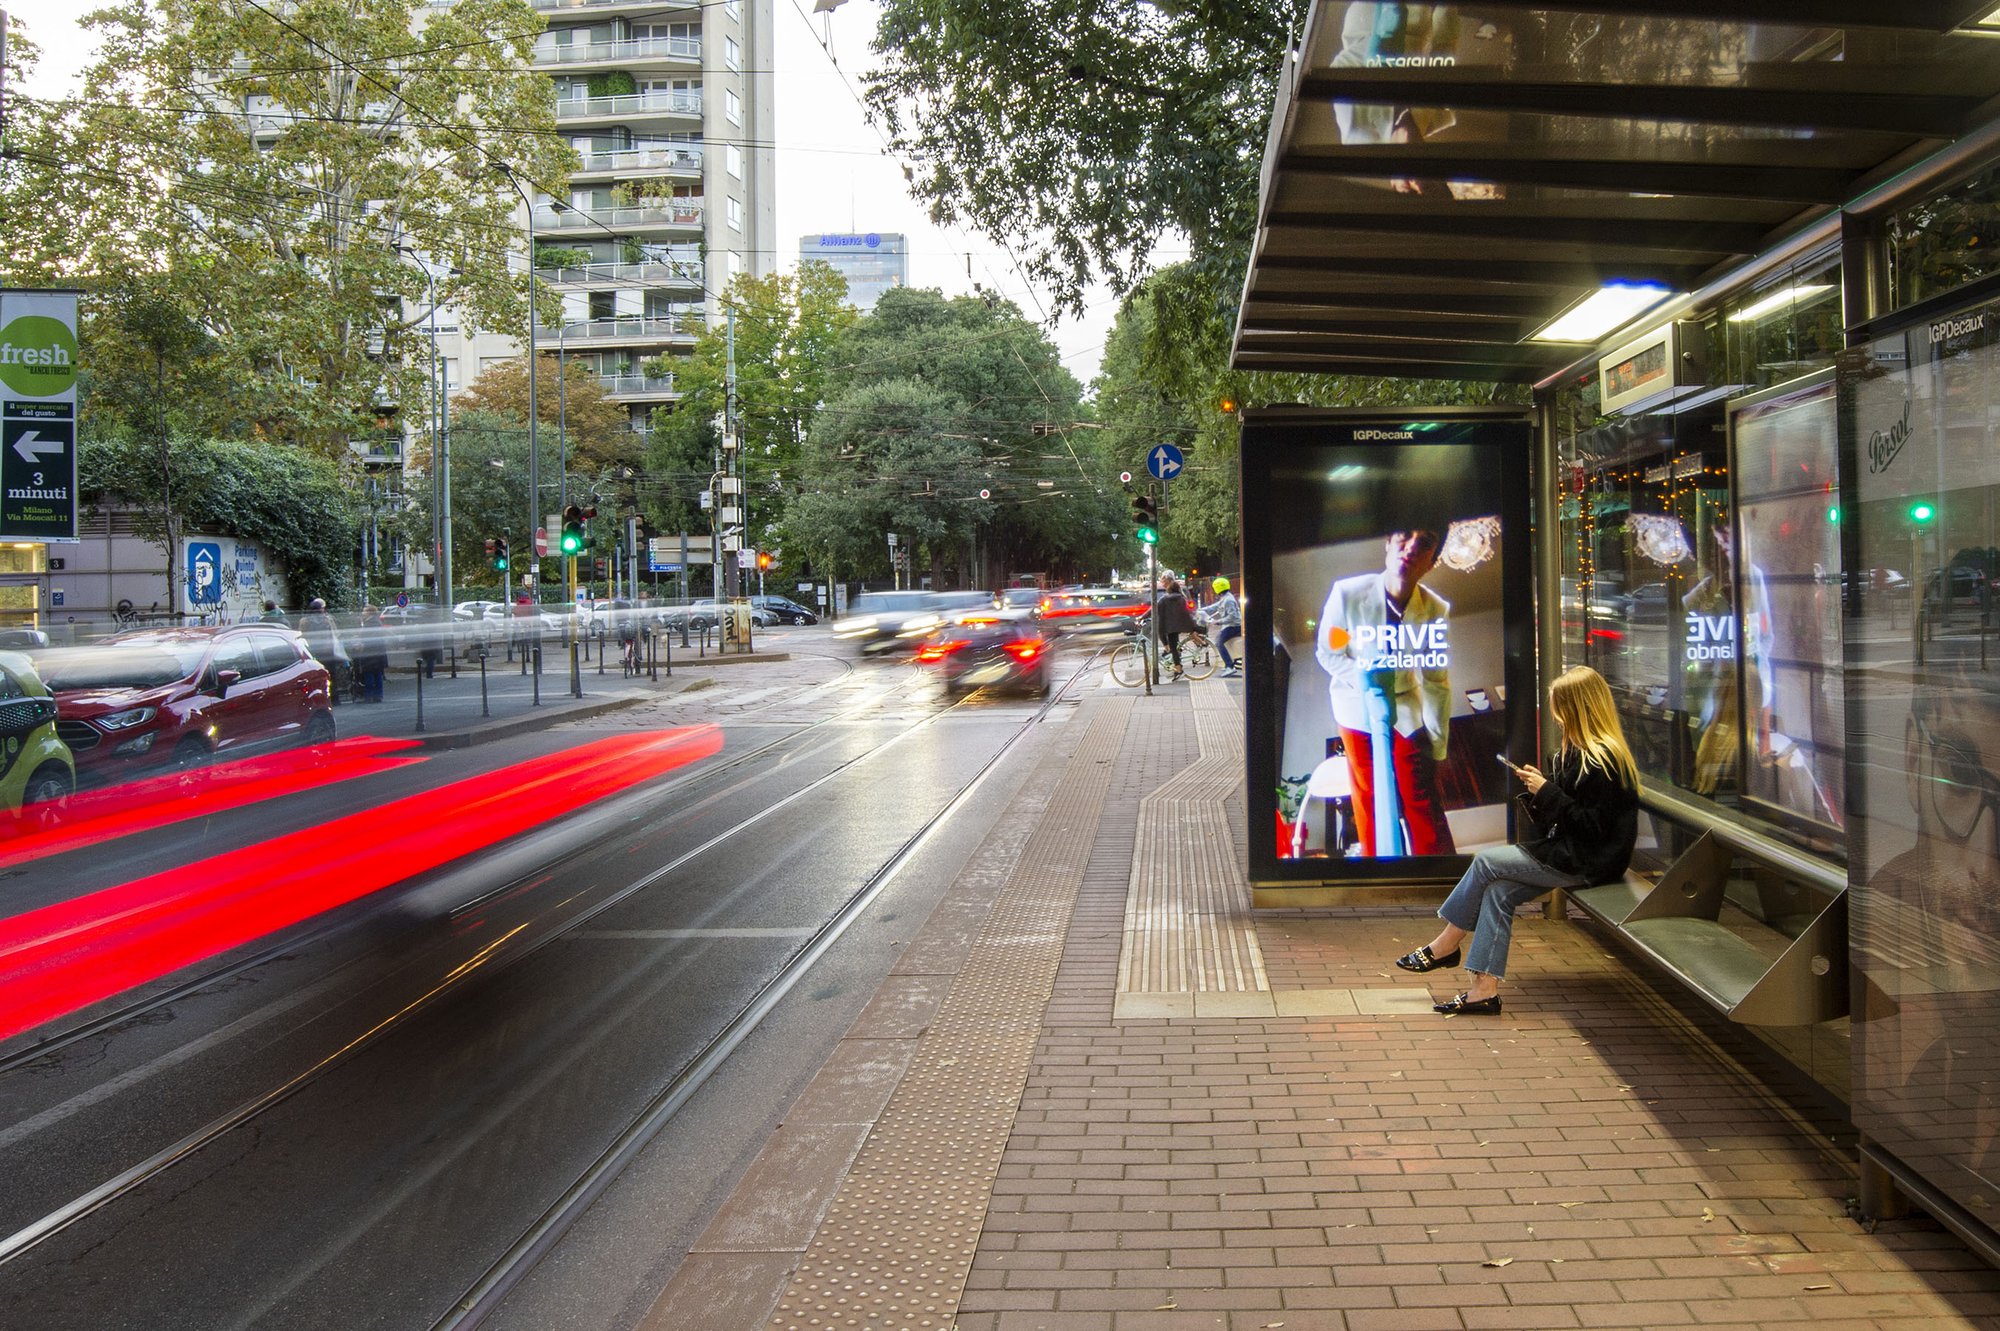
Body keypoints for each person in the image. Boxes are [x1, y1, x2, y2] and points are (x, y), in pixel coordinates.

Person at [1395, 665, 1640, 1014]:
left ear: (1577, 709)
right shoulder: (1574, 753)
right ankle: (1484, 991)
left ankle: (1445, 945)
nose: (1556, 719)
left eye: (1560, 710)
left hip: (1589, 859)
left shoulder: (1604, 760)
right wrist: (1540, 789)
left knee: (1485, 862)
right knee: (1497, 893)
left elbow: (1594, 826)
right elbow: (1560, 817)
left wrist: (1549, 792)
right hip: (1570, 851)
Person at [1315, 527, 1455, 856]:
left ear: (1431, 562)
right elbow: (1329, 652)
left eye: (1425, 543)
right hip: (1354, 705)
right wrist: (1371, 680)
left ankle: (1435, 872)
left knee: (1419, 793)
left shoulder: (1435, 609)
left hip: (1407, 705)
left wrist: (1437, 745)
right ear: (1388, 543)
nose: (1410, 548)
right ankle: (1377, 868)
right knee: (1368, 793)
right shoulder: (1347, 594)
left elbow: (1437, 680)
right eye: (1404, 536)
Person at [297, 598, 349, 704]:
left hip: (313, 651)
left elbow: (301, 634)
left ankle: (320, 698)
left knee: (316, 676)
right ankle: (334, 698)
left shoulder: (304, 621)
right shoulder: (327, 619)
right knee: (330, 674)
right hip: (328, 650)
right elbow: (336, 633)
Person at [1154, 577, 1201, 680]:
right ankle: (1177, 668)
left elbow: (1153, 609)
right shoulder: (1181, 597)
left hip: (1171, 627)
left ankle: (1179, 670)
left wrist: (1141, 617)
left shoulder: (1164, 599)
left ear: (1169, 589)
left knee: (1173, 649)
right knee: (1175, 647)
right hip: (1181, 624)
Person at [1201, 577, 1242, 677]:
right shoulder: (1225, 597)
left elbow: (1233, 617)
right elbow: (1215, 606)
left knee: (1218, 642)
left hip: (1234, 626)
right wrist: (1202, 610)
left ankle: (1229, 666)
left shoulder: (1228, 600)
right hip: (1230, 626)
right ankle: (1231, 662)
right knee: (1222, 641)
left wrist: (1218, 622)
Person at [351, 604, 389, 703]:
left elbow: (367, 639)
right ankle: (378, 695)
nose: (363, 613)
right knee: (378, 675)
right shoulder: (377, 622)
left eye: (364, 611)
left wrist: (360, 643)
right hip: (379, 654)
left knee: (369, 675)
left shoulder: (370, 624)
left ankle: (369, 695)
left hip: (370, 654)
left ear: (369, 612)